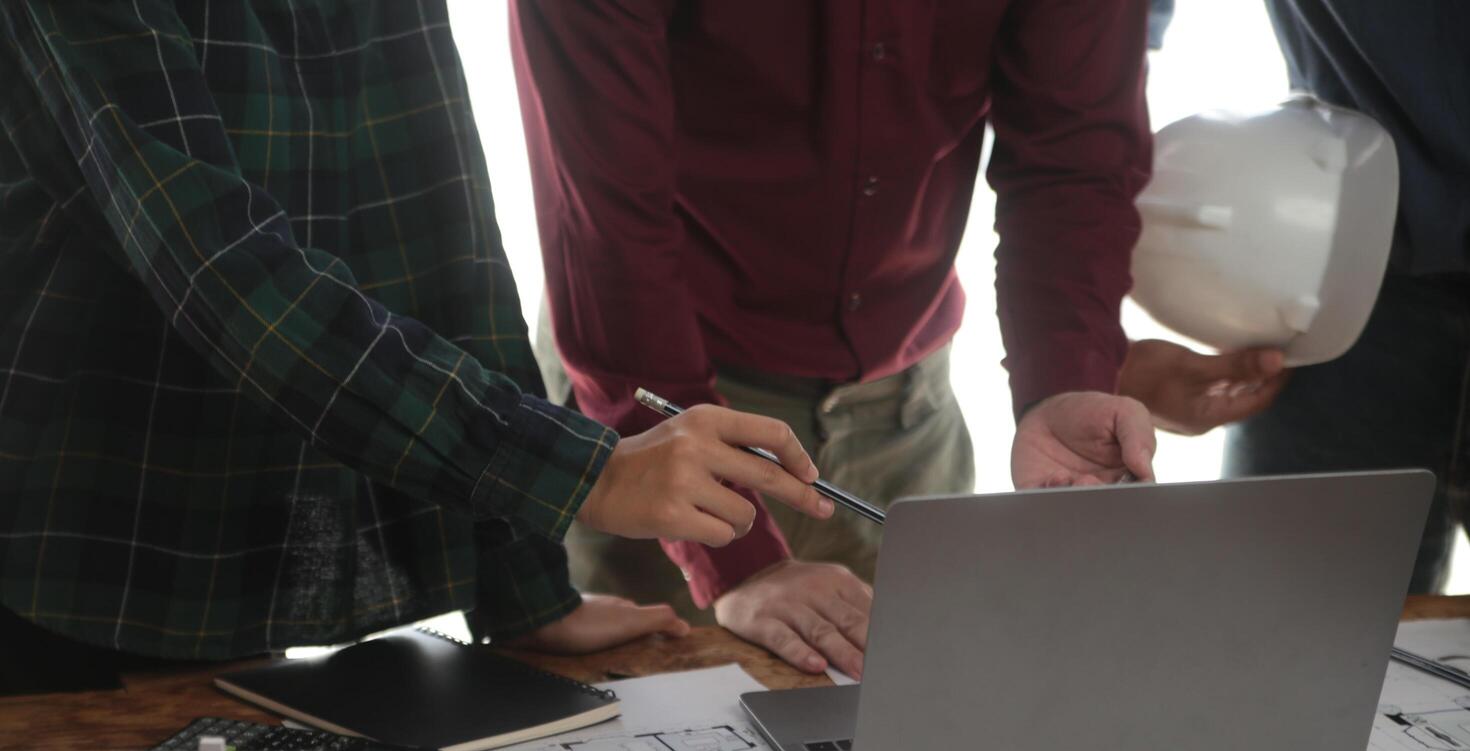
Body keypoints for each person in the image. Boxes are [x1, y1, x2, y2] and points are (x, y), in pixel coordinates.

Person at [0, 0, 837, 674]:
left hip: (237, 562)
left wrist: (526, 591)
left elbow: (446, 249)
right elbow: (225, 271)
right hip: (67, 555)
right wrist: (590, 473)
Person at [510, 1, 1274, 676]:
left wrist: (1066, 380)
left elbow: (1072, 159)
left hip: (908, 421)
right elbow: (609, 232)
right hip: (659, 408)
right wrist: (735, 562)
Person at [1132, 0, 1470, 594]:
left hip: (1342, 245)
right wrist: (1087, 350)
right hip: (1344, 251)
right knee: (1273, 640)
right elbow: (1078, 48)